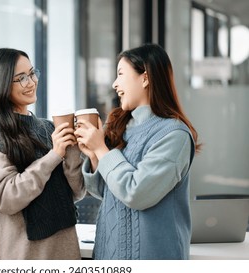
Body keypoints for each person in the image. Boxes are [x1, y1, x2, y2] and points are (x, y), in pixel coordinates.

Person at [74, 43, 201, 260]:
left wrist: (101, 149)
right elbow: (107, 190)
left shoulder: (174, 135)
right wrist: (94, 155)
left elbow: (136, 193)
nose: (114, 84)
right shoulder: (123, 127)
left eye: (121, 74)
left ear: (145, 78)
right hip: (108, 256)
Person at [0, 48, 85, 260]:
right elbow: (6, 197)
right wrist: (54, 156)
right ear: (1, 84)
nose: (31, 82)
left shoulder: (48, 128)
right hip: (25, 256)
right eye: (21, 78)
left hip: (65, 249)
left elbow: (76, 191)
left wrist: (72, 149)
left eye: (32, 73)